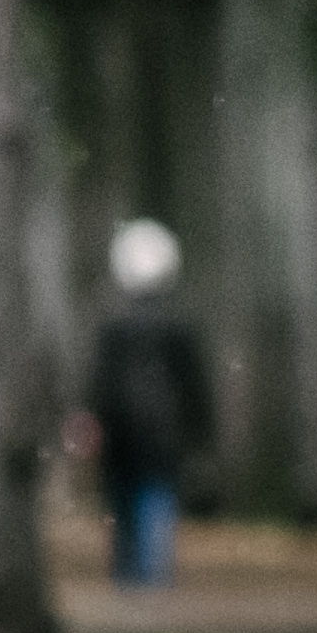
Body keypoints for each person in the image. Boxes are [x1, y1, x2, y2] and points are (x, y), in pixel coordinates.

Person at [87, 217, 211, 590]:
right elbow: (197, 389)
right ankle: (153, 584)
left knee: (123, 512)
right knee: (154, 510)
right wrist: (200, 435)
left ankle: (128, 582)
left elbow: (96, 385)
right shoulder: (179, 326)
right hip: (161, 440)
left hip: (120, 438)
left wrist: (91, 421)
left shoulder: (112, 325)